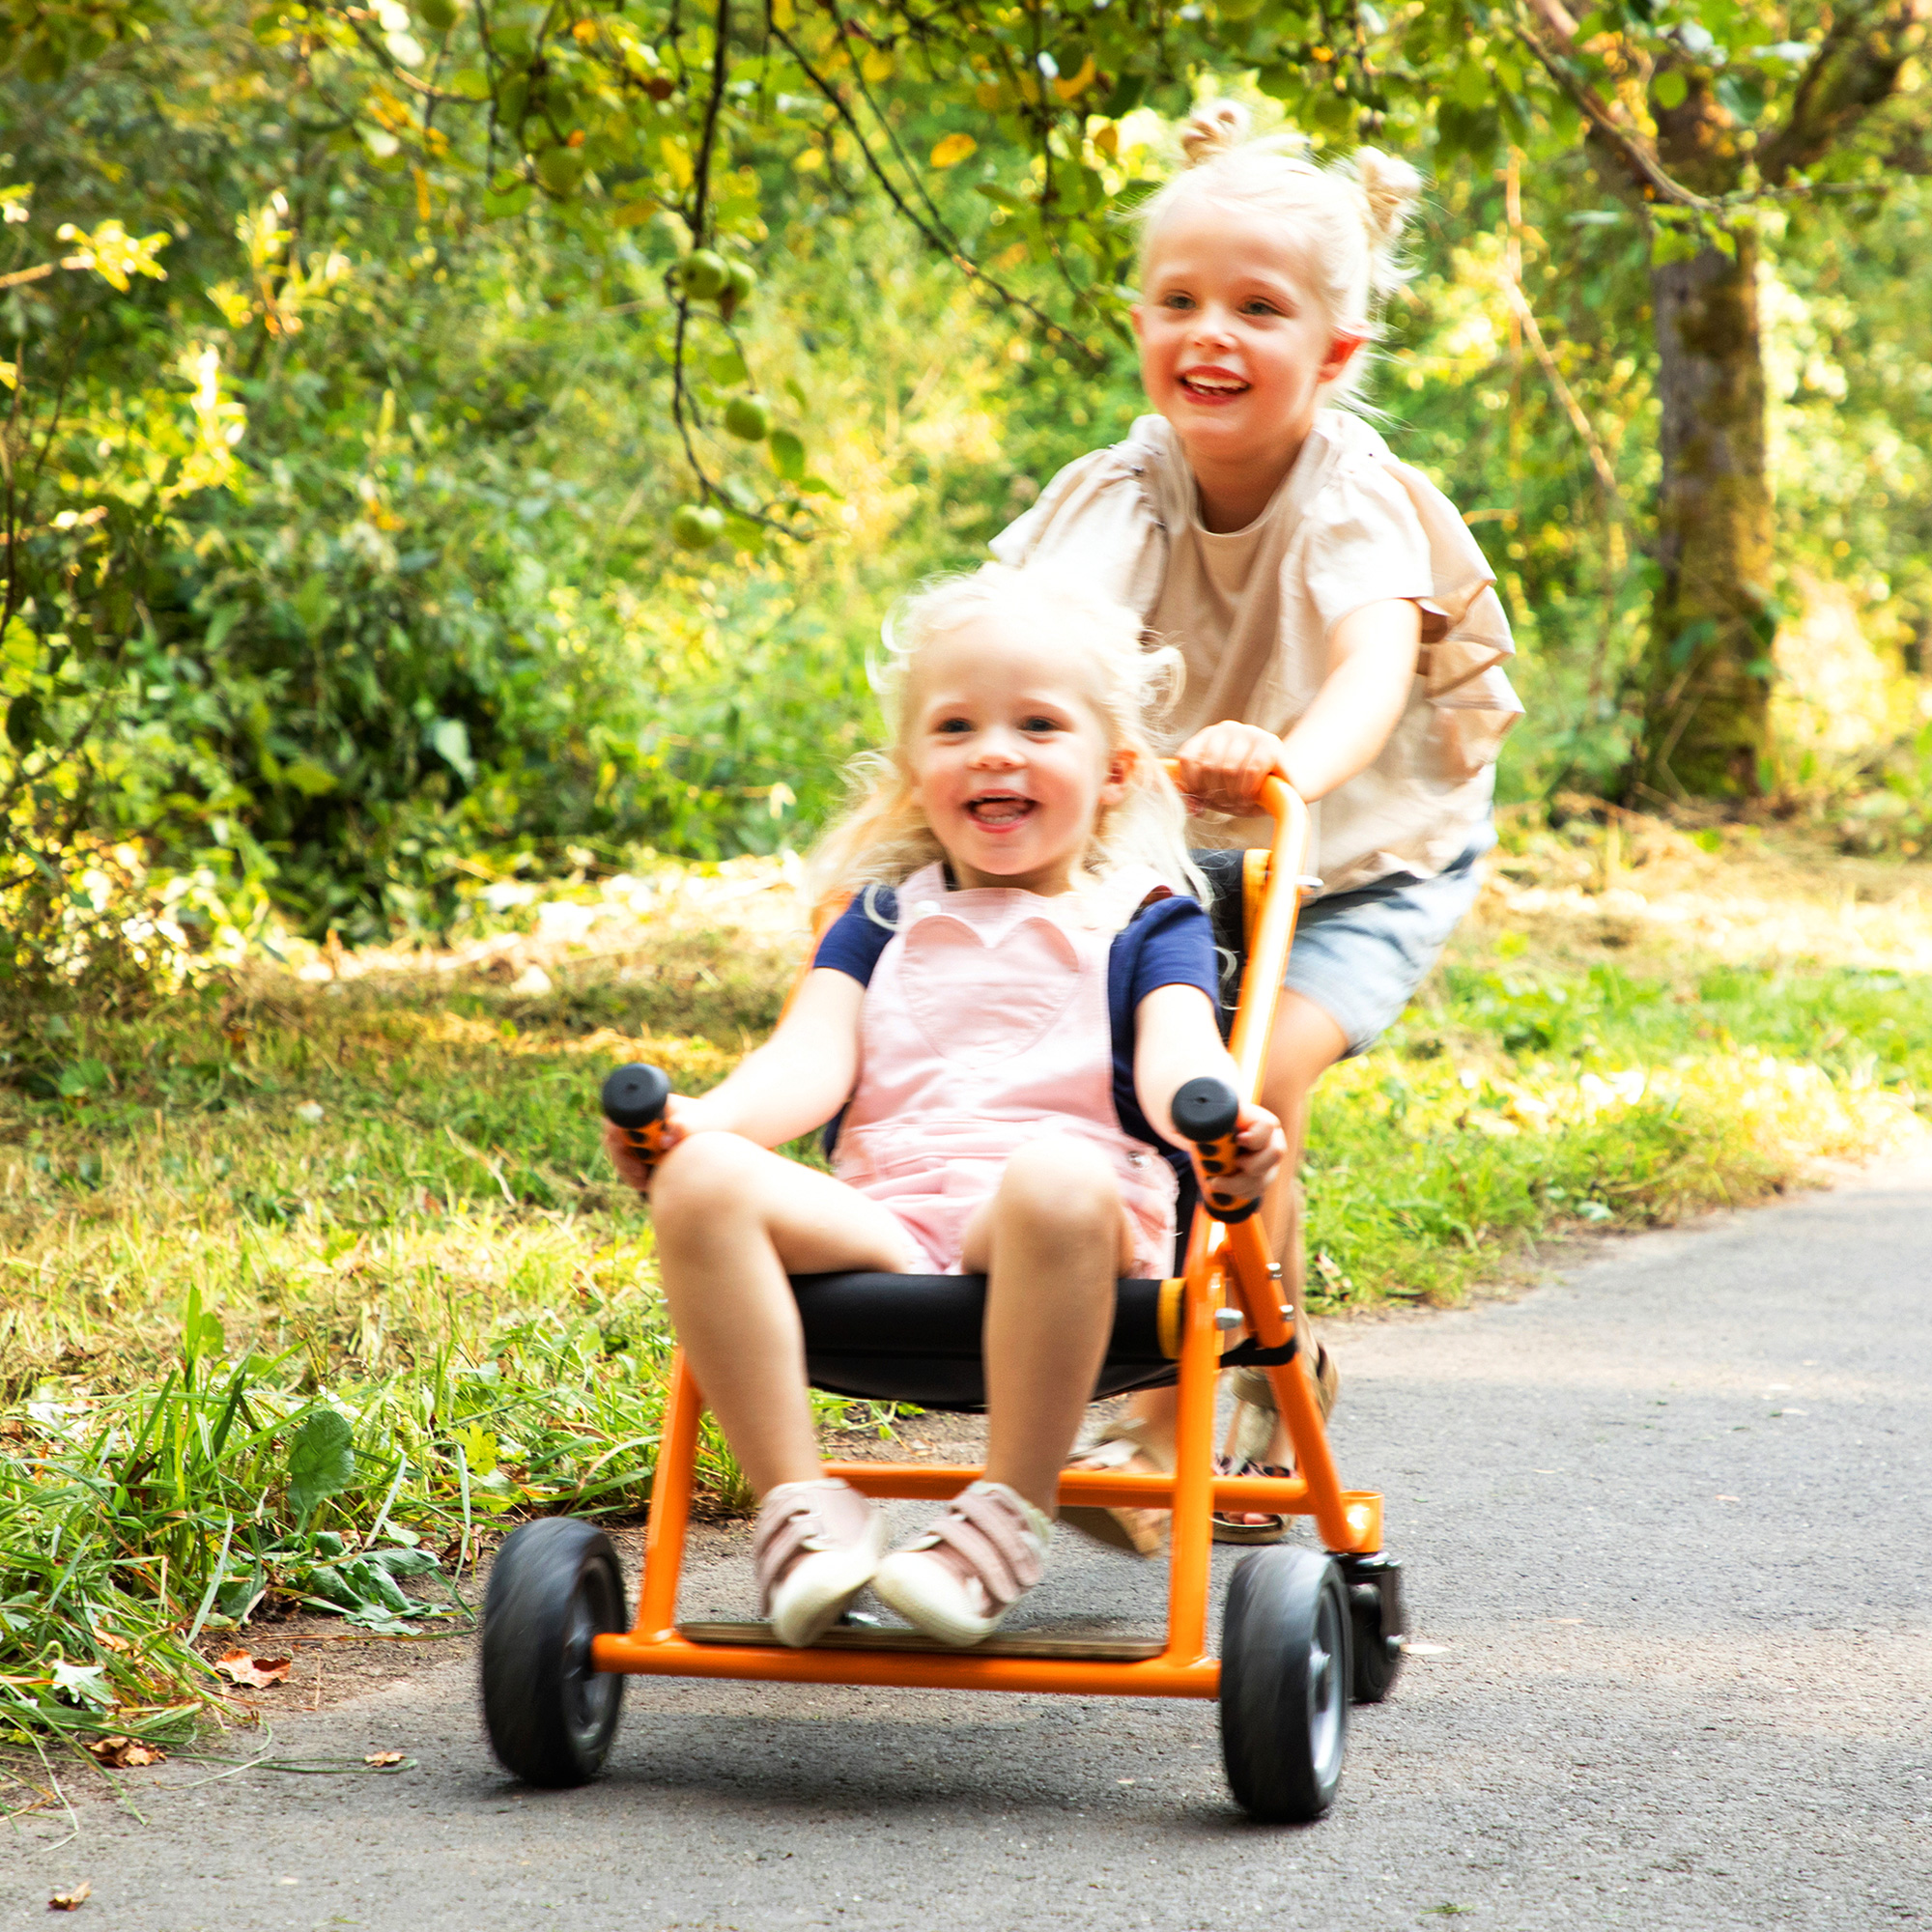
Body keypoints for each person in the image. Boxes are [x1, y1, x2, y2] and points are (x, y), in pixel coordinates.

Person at [991, 99, 1521, 1546]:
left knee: (1256, 1083)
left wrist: (1281, 757)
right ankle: (1263, 1368)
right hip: (1180, 849)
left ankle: (1181, 1407)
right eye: (1178, 301)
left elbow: (1369, 663)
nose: (1208, 332)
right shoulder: (1128, 491)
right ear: (1140, 324)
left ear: (1334, 353)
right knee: (1145, 1090)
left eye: (1256, 307)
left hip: (1357, 857)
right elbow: (1049, 638)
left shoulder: (1350, 499)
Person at [604, 567, 1285, 1649]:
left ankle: (1003, 1514)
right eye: (956, 725)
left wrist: (1221, 1122)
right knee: (699, 1179)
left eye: (1038, 724)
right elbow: (805, 1063)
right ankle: (804, 1512)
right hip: (894, 1226)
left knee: (1051, 1174)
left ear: (1112, 774)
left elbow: (1177, 1053)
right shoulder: (877, 918)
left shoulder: (1145, 920)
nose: (995, 749)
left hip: (1067, 1228)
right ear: (917, 772)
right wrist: (696, 1124)